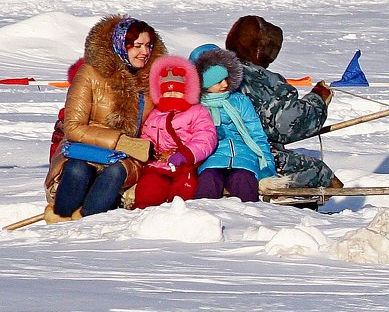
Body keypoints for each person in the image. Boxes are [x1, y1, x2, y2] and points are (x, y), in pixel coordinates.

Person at [44, 15, 163, 222]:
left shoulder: (150, 81)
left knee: (115, 172)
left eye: (148, 45)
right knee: (78, 170)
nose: (145, 52)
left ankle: (87, 222)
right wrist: (119, 141)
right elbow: (73, 127)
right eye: (137, 46)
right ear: (120, 45)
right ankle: (62, 218)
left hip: (127, 157)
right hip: (83, 148)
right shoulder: (90, 74)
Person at [224, 15, 342, 188]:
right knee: (324, 176)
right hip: (250, 157)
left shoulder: (213, 71)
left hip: (209, 154)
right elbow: (286, 124)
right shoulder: (260, 79)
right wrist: (318, 98)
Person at [190, 44, 276, 202]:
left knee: (244, 182)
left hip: (244, 159)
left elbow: (257, 135)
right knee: (208, 183)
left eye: (226, 78)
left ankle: (252, 223)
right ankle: (201, 221)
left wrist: (267, 166)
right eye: (217, 81)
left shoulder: (239, 102)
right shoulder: (196, 107)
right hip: (210, 160)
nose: (225, 85)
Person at [133, 56, 218, 209]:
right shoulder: (155, 114)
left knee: (183, 190)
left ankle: (178, 213)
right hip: (158, 164)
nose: (172, 95)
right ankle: (143, 212)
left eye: (177, 92)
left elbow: (206, 136)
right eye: (167, 92)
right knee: (148, 187)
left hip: (186, 165)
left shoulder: (197, 111)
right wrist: (148, 150)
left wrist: (186, 154)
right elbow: (146, 135)